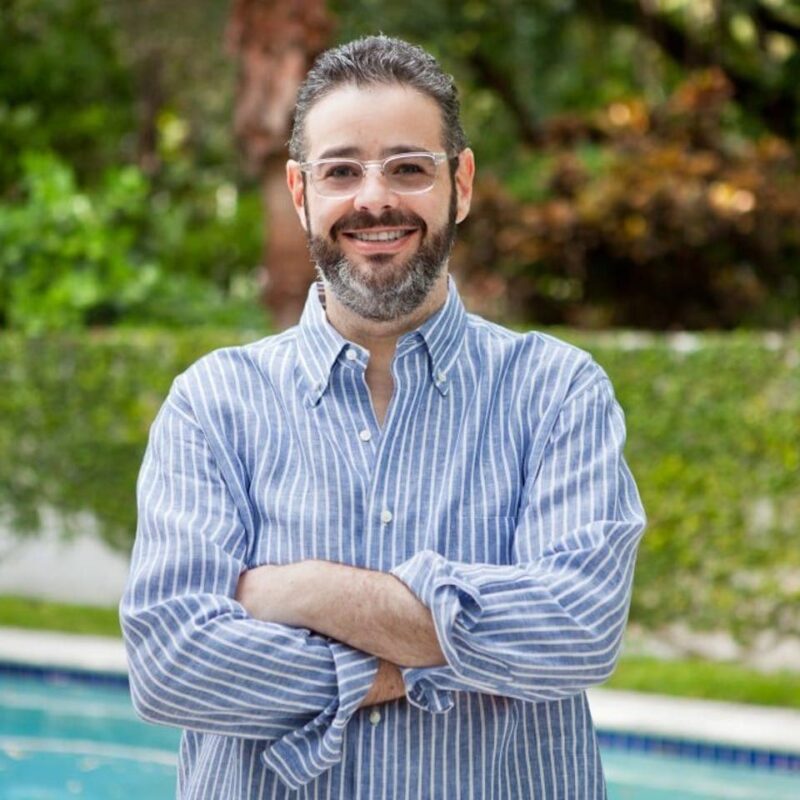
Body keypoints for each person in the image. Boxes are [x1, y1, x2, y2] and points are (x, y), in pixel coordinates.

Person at [120, 35, 646, 799]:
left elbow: (574, 632)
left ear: (461, 183)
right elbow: (172, 666)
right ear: (301, 191)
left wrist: (303, 592)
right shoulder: (213, 405)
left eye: (408, 168)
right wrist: (406, 664)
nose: (374, 198)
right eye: (341, 171)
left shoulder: (557, 393)